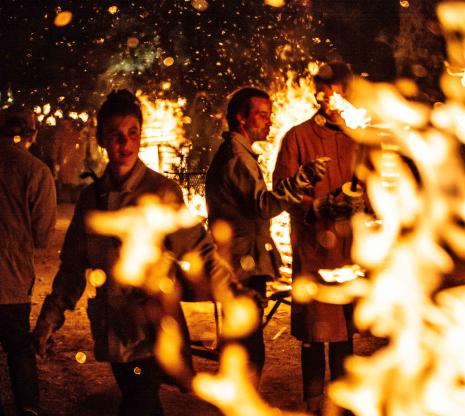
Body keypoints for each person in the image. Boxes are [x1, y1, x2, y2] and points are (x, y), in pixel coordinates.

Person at [33, 90, 239, 416]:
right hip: (113, 330)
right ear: (101, 139)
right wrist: (49, 320)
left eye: (133, 133)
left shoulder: (161, 191)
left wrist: (232, 292)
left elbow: (199, 248)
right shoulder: (91, 201)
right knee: (141, 399)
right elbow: (72, 268)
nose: (125, 144)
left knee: (137, 402)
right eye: (115, 135)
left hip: (153, 333)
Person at [205, 87, 329, 385]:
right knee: (247, 344)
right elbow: (263, 205)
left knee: (244, 340)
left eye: (269, 114)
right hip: (240, 265)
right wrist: (302, 179)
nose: (268, 121)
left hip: (240, 261)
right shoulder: (237, 157)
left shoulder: (240, 154)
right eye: (262, 115)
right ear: (241, 118)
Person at [273, 62, 359, 415]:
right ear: (317, 94)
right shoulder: (298, 137)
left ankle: (341, 404)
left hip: (351, 250)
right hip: (312, 251)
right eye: (326, 92)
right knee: (313, 337)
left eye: (339, 92)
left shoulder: (358, 138)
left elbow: (375, 184)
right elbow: (281, 190)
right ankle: (312, 405)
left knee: (345, 337)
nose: (332, 99)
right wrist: (317, 204)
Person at [0, 105, 57, 416]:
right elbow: (43, 234)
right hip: (11, 278)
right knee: (19, 348)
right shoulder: (35, 171)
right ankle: (28, 408)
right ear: (29, 133)